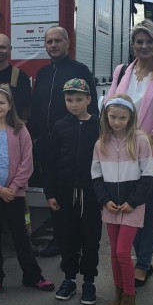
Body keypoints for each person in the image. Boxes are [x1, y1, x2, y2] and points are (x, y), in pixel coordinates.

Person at [103, 20, 153, 287]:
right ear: (132, 45)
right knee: (127, 206)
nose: (144, 46)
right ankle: (135, 255)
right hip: (121, 151)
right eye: (139, 41)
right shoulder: (122, 70)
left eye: (149, 41)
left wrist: (148, 137)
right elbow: (110, 104)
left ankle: (144, 262)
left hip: (151, 150)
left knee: (148, 207)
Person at [0, 84, 54, 295]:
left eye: (2, 102)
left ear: (10, 105)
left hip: (14, 193)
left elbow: (27, 162)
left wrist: (14, 187)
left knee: (20, 235)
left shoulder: (20, 130)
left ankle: (32, 275)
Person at [28, 26, 98, 257]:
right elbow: (37, 106)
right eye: (49, 42)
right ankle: (59, 240)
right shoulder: (44, 72)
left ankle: (79, 241)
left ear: (68, 42)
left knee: (76, 196)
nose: (53, 45)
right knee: (55, 193)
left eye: (58, 41)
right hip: (47, 144)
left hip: (74, 143)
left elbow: (93, 108)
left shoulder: (80, 70)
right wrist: (34, 137)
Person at [91, 95, 153, 305]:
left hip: (131, 207)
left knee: (122, 252)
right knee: (114, 254)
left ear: (131, 118)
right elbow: (96, 175)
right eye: (113, 117)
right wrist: (104, 199)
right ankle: (118, 295)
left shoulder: (140, 141)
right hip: (110, 206)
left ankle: (130, 300)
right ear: (106, 116)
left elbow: (148, 176)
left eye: (122, 118)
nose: (117, 122)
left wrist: (133, 201)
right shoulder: (101, 143)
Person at [45, 78, 101, 305]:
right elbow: (51, 162)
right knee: (67, 237)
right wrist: (50, 193)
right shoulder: (60, 126)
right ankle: (69, 278)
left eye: (79, 99)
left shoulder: (99, 125)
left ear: (88, 99)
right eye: (69, 100)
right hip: (65, 191)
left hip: (91, 192)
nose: (74, 104)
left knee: (90, 238)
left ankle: (89, 281)